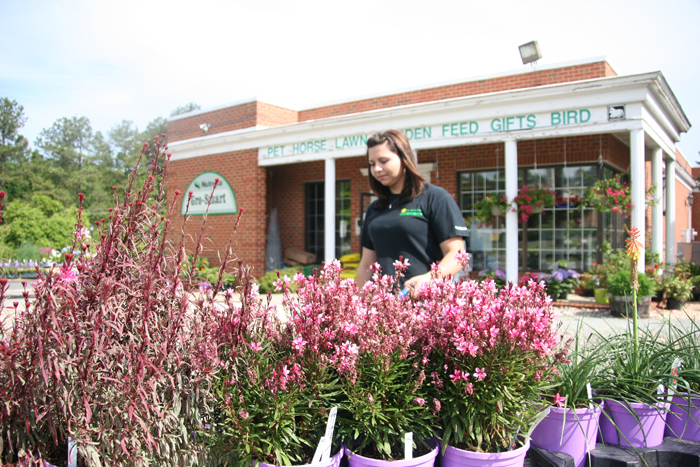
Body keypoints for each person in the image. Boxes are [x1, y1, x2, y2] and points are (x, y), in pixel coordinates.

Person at [356, 129, 469, 296]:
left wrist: (430, 279)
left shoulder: (435, 198)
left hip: (425, 303)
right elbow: (366, 265)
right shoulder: (375, 209)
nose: (377, 169)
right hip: (384, 305)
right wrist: (358, 303)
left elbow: (458, 255)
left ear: (404, 158)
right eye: (372, 164)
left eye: (384, 161)